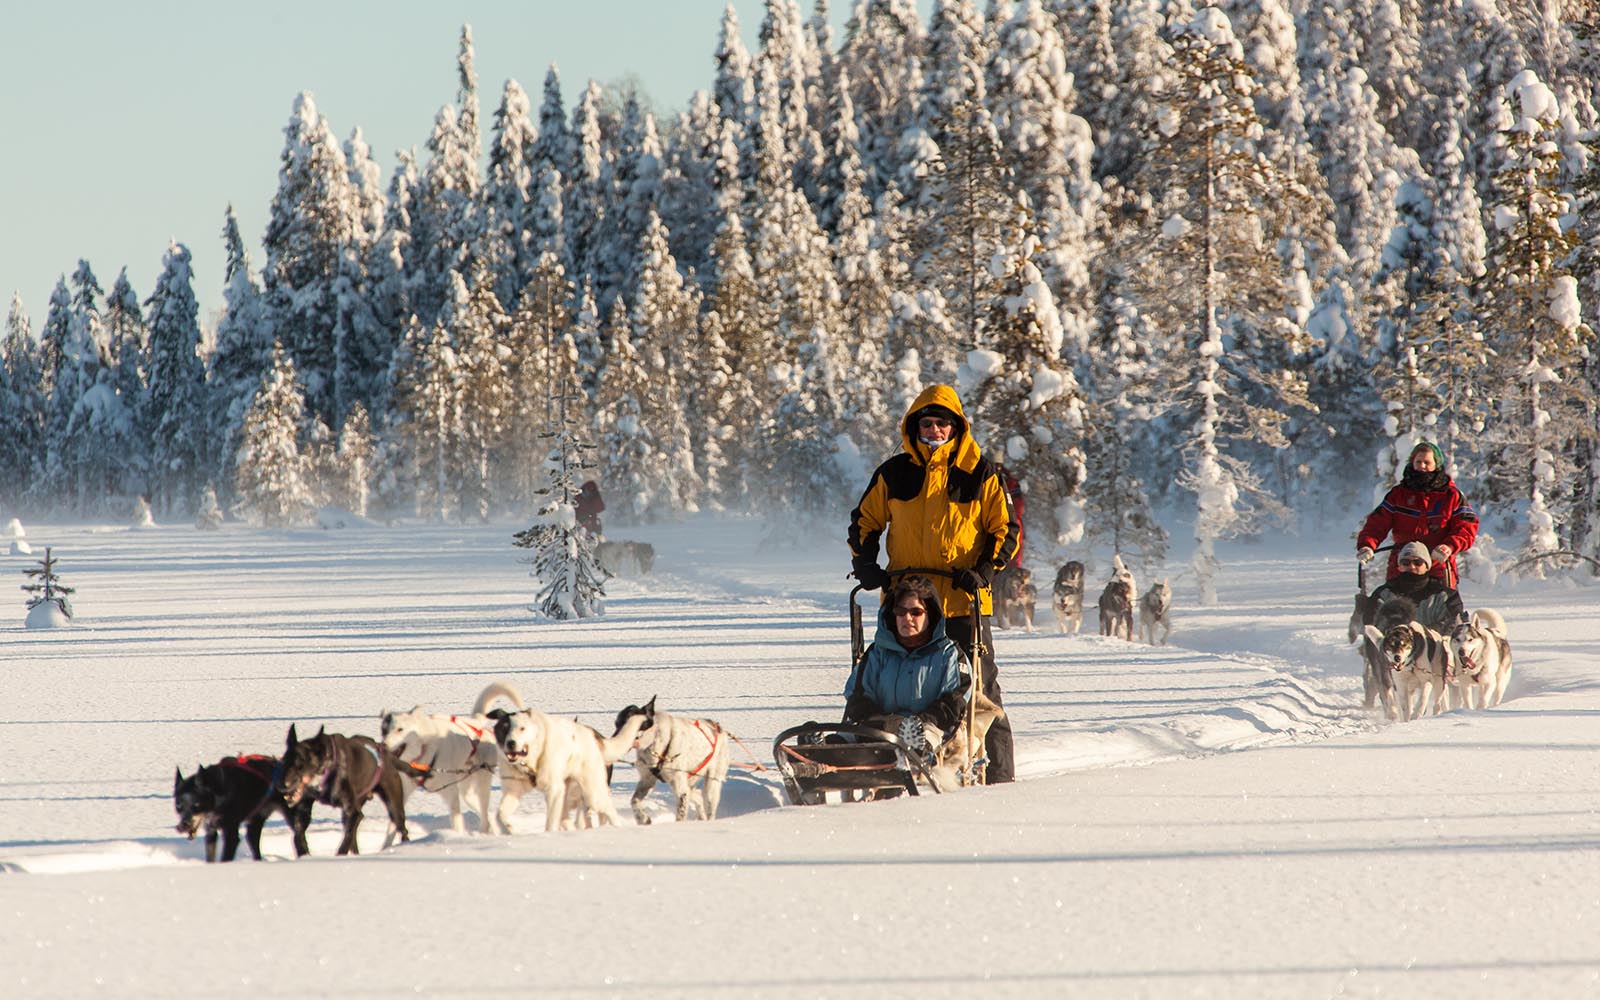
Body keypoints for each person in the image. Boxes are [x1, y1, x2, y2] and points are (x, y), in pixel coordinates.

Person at [848, 385, 1019, 783]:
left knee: (980, 690)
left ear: (956, 427)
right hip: (905, 603)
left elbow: (1005, 531)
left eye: (943, 422)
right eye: (927, 422)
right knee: (881, 680)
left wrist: (983, 572)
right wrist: (866, 564)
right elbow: (864, 522)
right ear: (915, 426)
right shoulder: (894, 473)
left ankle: (999, 776)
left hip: (962, 600)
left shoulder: (981, 473)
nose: (935, 429)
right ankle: (867, 754)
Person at [842, 576, 969, 756]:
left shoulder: (949, 655)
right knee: (847, 738)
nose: (907, 618)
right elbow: (858, 693)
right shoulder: (878, 652)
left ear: (930, 615)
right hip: (876, 726)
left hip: (928, 727)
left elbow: (954, 701)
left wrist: (920, 722)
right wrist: (877, 720)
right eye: (900, 611)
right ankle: (816, 754)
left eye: (915, 612)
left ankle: (913, 756)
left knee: (923, 738)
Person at [1356, 440, 1479, 586]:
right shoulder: (1398, 495)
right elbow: (1377, 523)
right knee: (1395, 606)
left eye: (1427, 462)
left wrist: (1449, 546)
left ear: (1436, 464)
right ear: (1412, 462)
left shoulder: (1452, 496)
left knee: (1441, 606)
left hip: (1438, 563)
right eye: (1418, 461)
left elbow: (1466, 527)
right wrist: (1367, 545)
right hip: (1403, 564)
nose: (1422, 466)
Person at [1366, 541, 1465, 632]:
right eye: (1406, 562)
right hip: (1393, 646)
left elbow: (1456, 624)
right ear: (1400, 566)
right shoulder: (1384, 593)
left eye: (1418, 563)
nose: (1412, 566)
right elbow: (1370, 623)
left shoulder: (1445, 595)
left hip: (1434, 646)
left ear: (1427, 566)